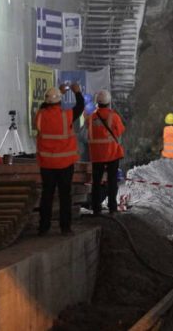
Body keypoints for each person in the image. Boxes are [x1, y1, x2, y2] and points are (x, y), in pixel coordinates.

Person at [36, 83, 84, 236]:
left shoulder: (40, 115)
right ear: (60, 101)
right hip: (65, 163)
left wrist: (58, 92)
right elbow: (80, 106)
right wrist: (77, 92)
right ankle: (65, 227)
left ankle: (44, 227)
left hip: (47, 164)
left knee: (47, 195)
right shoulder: (67, 115)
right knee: (65, 196)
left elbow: (44, 106)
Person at [86, 89, 125, 215]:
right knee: (112, 180)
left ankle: (96, 208)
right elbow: (119, 131)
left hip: (96, 154)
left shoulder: (91, 117)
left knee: (96, 182)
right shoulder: (113, 116)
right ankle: (112, 207)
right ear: (109, 102)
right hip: (111, 153)